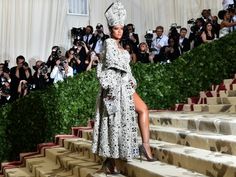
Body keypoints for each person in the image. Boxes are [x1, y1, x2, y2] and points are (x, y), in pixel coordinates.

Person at [91, 1, 155, 175]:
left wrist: (132, 78)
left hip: (126, 86)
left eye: (121, 29)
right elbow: (112, 63)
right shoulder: (109, 43)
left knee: (143, 109)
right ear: (110, 29)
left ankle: (145, 147)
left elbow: (126, 67)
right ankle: (111, 163)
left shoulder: (120, 47)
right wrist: (125, 70)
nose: (119, 32)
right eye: (115, 29)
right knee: (113, 123)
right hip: (114, 88)